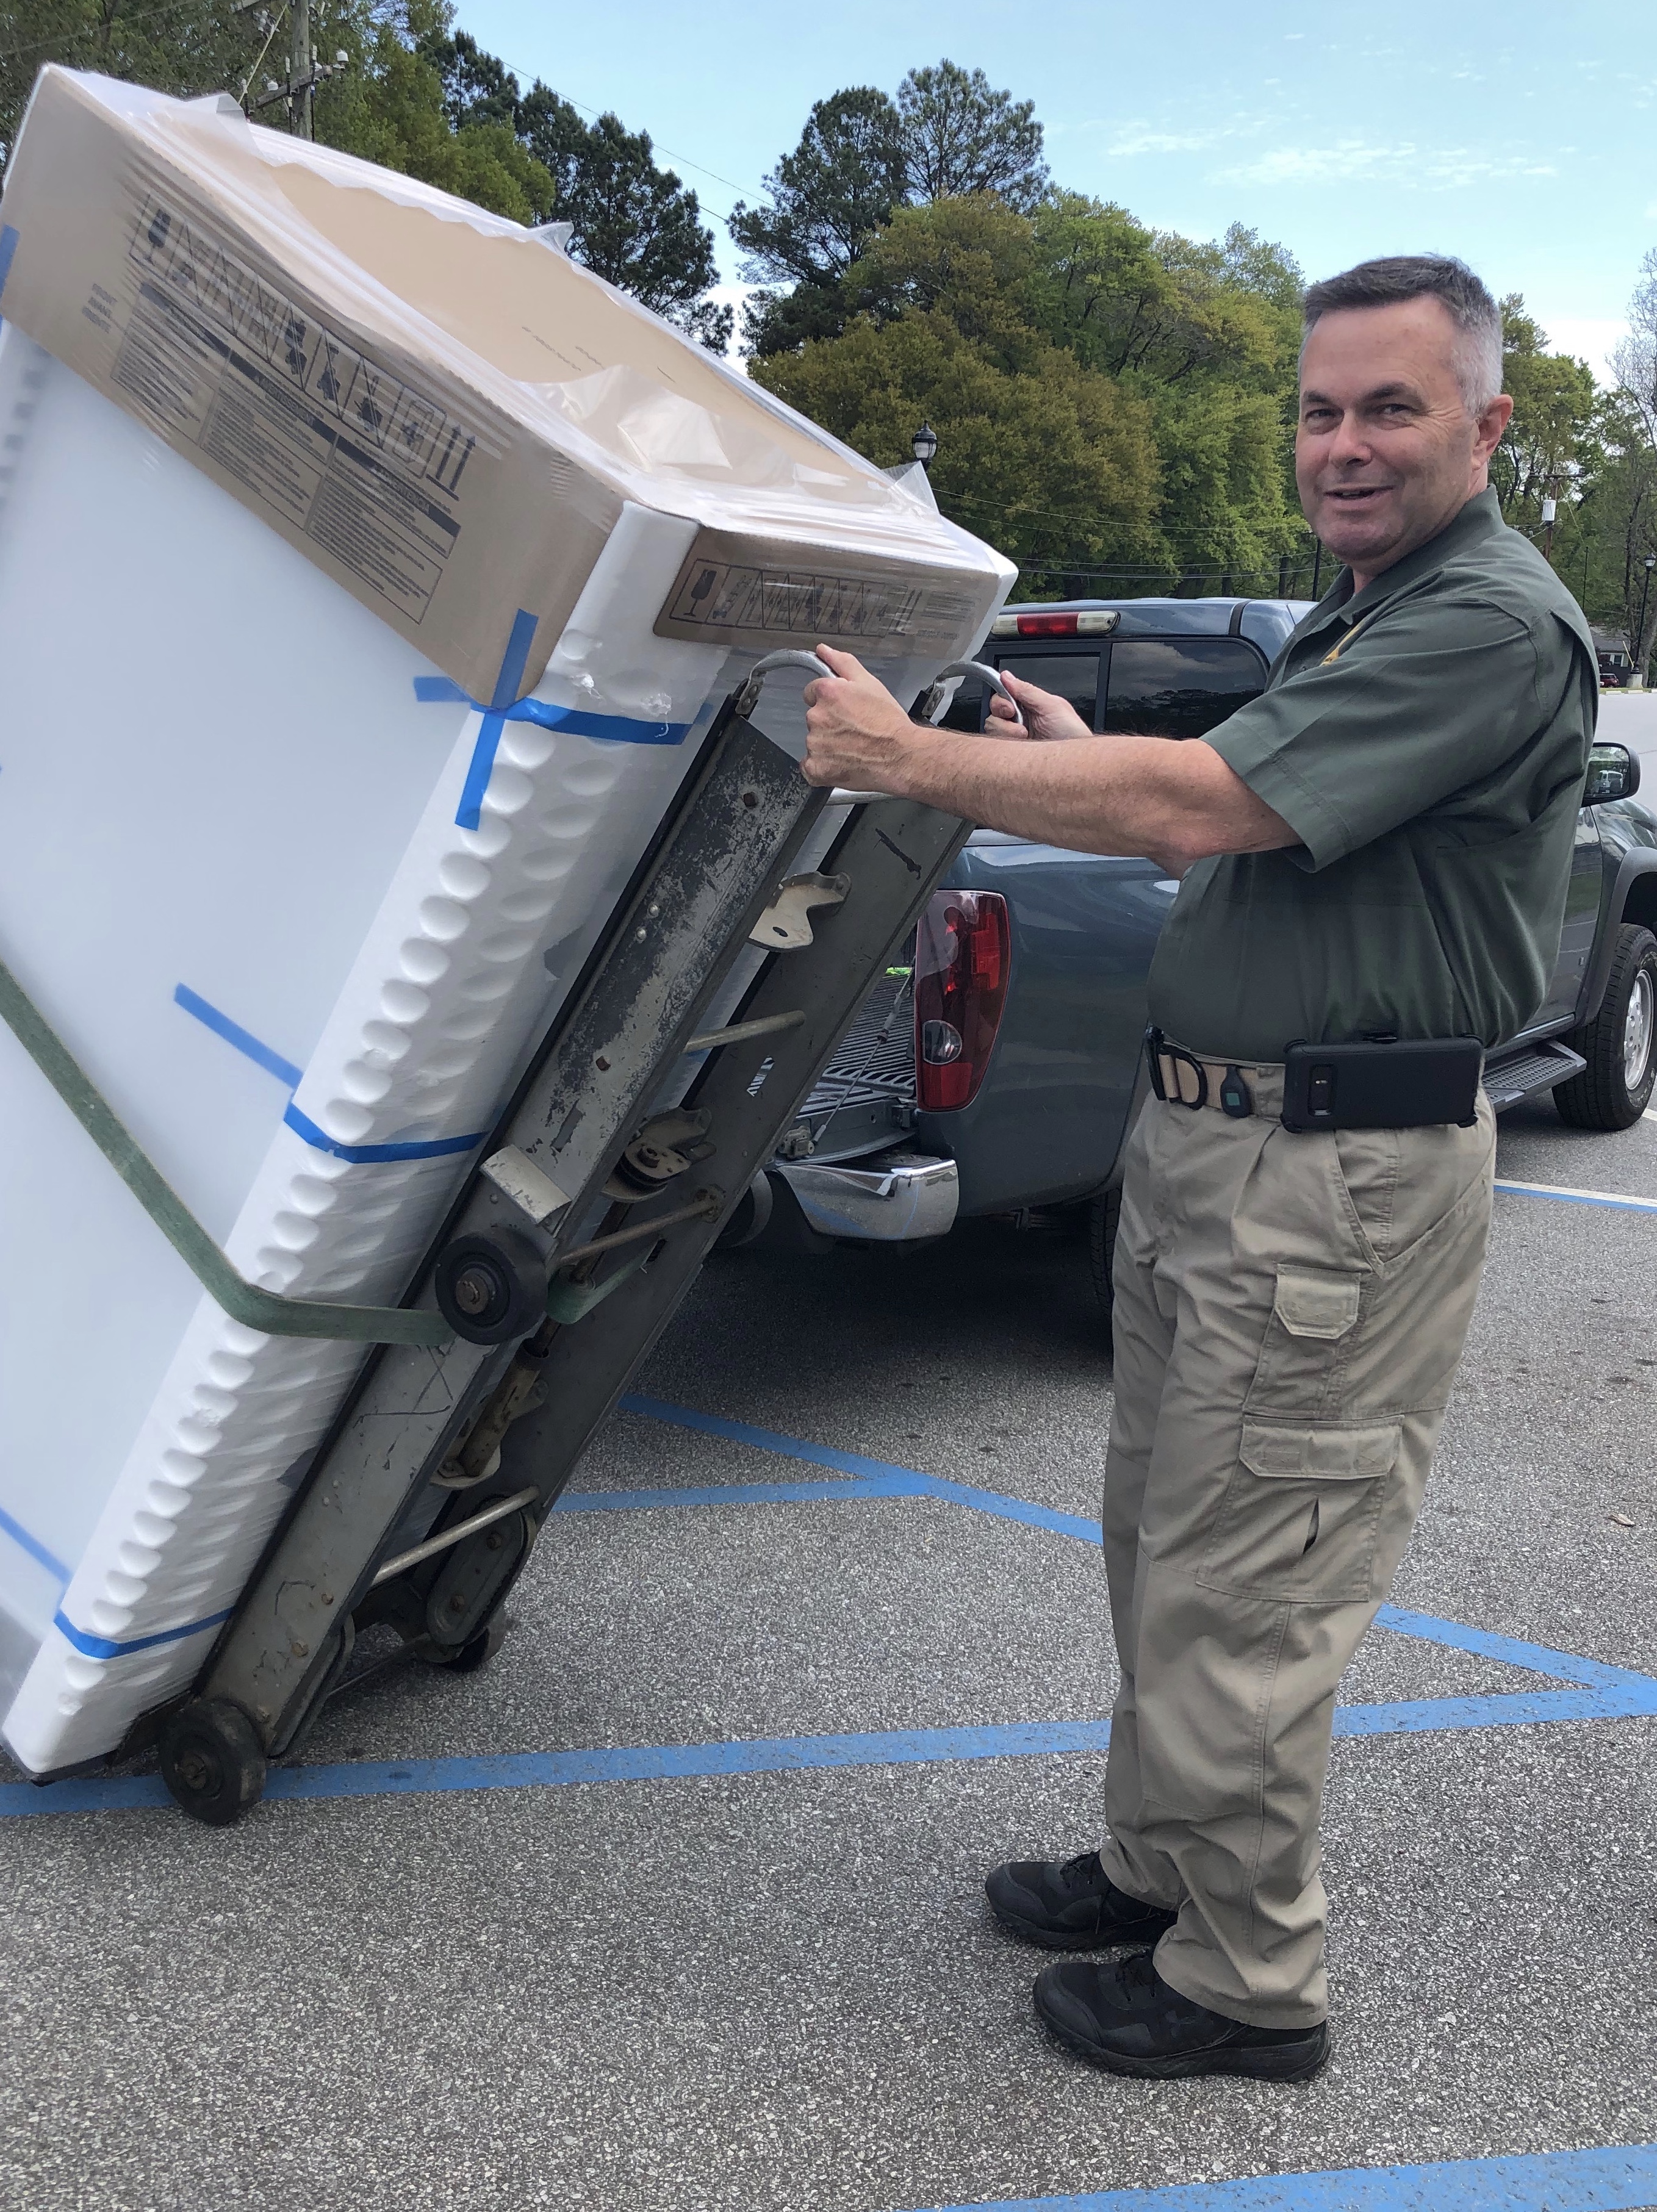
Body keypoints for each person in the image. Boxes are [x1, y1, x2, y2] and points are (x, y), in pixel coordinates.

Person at [799, 256, 1597, 2081]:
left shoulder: (1481, 621)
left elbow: (1201, 809)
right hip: (1220, 1150)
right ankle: (1164, 1862)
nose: (1343, 445)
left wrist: (907, 759)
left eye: (1390, 407)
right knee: (1172, 1535)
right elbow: (1248, 829)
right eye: (1318, 409)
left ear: (1484, 423)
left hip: (1332, 1176)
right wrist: (1082, 754)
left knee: (1257, 1571)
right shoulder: (1366, 613)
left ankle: (1245, 1979)